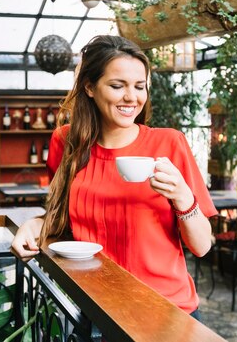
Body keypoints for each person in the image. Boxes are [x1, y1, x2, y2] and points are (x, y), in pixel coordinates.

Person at [11, 35, 217, 316]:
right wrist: (35, 226)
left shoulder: (169, 144)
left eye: (139, 86)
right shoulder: (66, 141)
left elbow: (202, 246)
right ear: (90, 87)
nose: (131, 98)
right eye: (117, 86)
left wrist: (183, 197)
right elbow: (64, 221)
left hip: (166, 310)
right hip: (97, 308)